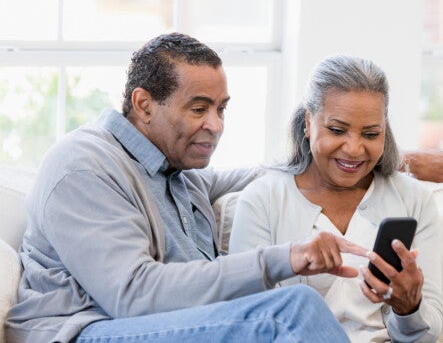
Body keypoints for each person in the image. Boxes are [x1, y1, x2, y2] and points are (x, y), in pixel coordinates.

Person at [5, 33, 372, 343]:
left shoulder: (178, 173)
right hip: (85, 329)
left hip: (163, 326)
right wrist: (285, 258)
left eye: (221, 109)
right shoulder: (83, 165)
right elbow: (134, 294)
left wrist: (394, 160)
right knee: (289, 313)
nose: (215, 125)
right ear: (144, 104)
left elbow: (271, 173)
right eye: (199, 109)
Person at [229, 55, 443, 342]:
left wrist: (409, 308)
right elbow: (247, 323)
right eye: (337, 130)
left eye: (371, 133)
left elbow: (429, 335)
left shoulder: (414, 199)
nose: (354, 149)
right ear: (308, 122)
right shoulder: (262, 200)